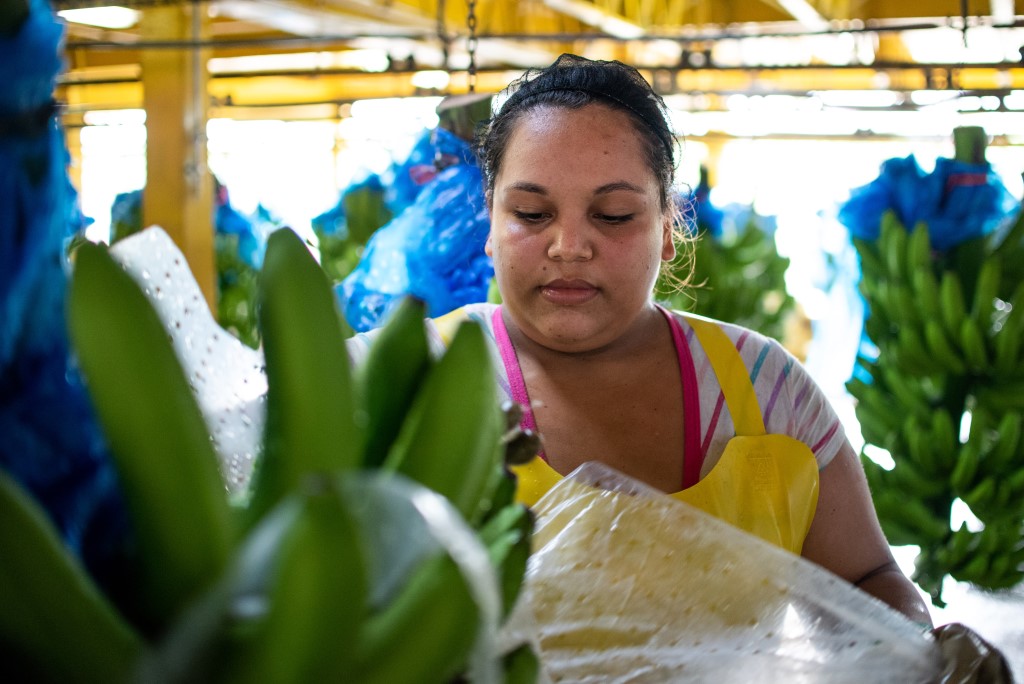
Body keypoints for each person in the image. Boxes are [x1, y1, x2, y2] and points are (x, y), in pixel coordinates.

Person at [349, 53, 933, 627]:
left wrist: (928, 649)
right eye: (531, 213)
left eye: (614, 215)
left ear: (668, 225)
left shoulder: (767, 392)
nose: (569, 246)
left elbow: (867, 580)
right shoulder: (403, 377)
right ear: (491, 224)